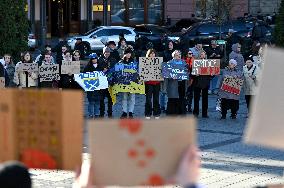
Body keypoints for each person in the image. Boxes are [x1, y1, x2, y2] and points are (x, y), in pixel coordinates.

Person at [118, 47, 137, 119]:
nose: (129, 54)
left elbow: (137, 71)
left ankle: (131, 112)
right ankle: (124, 112)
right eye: (127, 53)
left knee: (132, 98)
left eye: (130, 53)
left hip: (132, 82)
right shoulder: (121, 62)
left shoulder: (134, 62)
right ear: (124, 54)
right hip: (124, 82)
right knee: (124, 97)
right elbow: (118, 72)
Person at [97, 47, 116, 118]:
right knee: (101, 99)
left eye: (108, 52)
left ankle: (110, 114)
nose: (107, 53)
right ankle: (101, 113)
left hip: (110, 83)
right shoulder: (99, 60)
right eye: (105, 52)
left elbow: (116, 70)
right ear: (103, 53)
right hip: (102, 83)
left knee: (110, 99)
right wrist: (102, 70)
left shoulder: (113, 60)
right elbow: (96, 70)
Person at [192, 51, 211, 118]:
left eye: (204, 54)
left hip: (205, 82)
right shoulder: (196, 62)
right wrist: (195, 75)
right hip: (197, 82)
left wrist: (212, 75)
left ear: (205, 55)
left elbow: (212, 73)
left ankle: (204, 113)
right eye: (201, 54)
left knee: (205, 99)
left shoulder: (209, 63)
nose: (202, 55)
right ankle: (196, 113)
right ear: (199, 55)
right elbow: (192, 74)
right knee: (196, 99)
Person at [164, 50, 183, 116]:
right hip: (172, 83)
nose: (179, 56)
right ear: (174, 56)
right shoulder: (169, 63)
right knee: (172, 99)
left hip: (181, 83)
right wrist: (171, 77)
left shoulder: (183, 63)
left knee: (179, 98)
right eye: (177, 55)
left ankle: (178, 112)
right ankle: (170, 113)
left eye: (180, 55)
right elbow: (166, 74)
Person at [144, 49, 161, 119]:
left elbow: (162, 71)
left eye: (153, 54)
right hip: (148, 83)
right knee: (148, 99)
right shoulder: (144, 62)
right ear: (148, 55)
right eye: (151, 54)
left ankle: (156, 113)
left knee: (156, 99)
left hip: (157, 83)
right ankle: (148, 113)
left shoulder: (159, 62)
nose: (152, 55)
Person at [83, 53, 101, 119]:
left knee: (97, 102)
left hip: (98, 87)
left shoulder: (100, 66)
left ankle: (97, 114)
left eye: (95, 58)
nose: (94, 60)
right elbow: (84, 76)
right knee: (91, 102)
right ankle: (91, 114)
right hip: (90, 87)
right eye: (92, 59)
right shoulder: (87, 67)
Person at [161, 40, 175, 113]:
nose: (170, 45)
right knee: (163, 91)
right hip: (165, 74)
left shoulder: (175, 53)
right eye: (169, 44)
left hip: (173, 75)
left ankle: (168, 106)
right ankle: (162, 106)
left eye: (171, 44)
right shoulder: (164, 53)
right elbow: (161, 63)